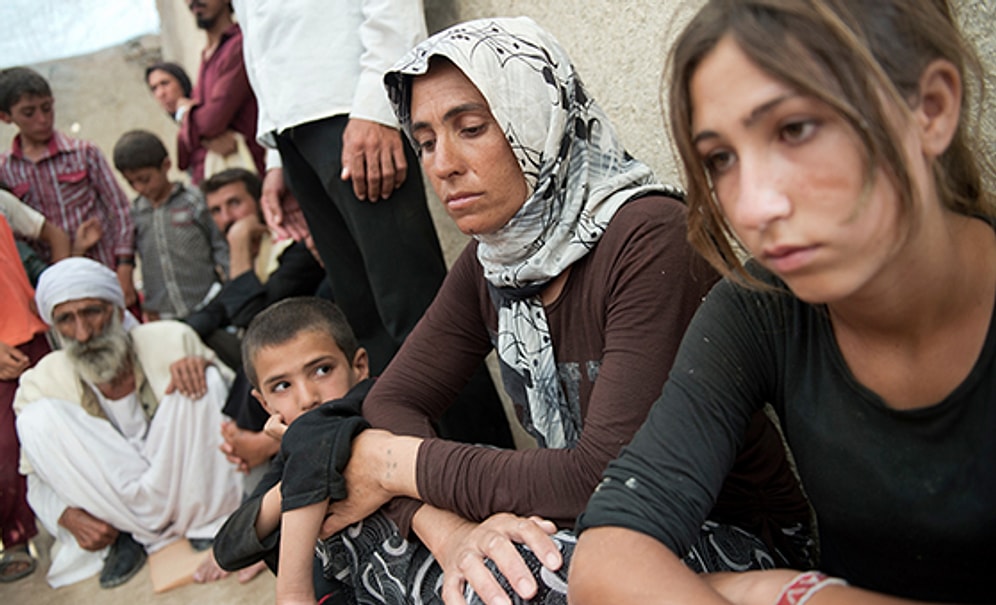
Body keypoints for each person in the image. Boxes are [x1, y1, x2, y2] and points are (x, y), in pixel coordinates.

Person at [312, 17, 811, 605]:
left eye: (470, 128)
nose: (442, 164)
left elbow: (597, 474)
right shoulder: (492, 260)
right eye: (424, 142)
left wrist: (393, 466)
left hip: (715, 535)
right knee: (341, 514)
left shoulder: (650, 238)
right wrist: (448, 529)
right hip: (575, 519)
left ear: (539, 118)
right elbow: (392, 401)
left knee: (507, 581)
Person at [568, 1, 995, 604]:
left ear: (929, 109)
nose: (752, 208)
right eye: (721, 159)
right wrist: (799, 590)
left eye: (794, 129)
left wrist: (777, 594)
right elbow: (609, 556)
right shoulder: (761, 309)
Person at [13, 257, 242, 588]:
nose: (83, 332)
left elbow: (236, 413)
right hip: (111, 507)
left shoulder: (171, 339)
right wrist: (66, 514)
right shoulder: (41, 381)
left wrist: (203, 367)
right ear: (55, 327)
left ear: (119, 312)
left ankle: (209, 518)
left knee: (204, 382)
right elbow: (36, 479)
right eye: (66, 319)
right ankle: (127, 535)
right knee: (35, 420)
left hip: (189, 488)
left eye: (92, 312)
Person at [213, 297, 372, 604]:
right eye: (282, 386)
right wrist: (298, 479)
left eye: (322, 370)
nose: (307, 398)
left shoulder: (383, 410)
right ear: (265, 404)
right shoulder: (289, 458)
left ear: (359, 367)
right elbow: (228, 548)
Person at [0, 67, 138, 309]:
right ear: (5, 117)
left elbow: (121, 211)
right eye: (29, 113)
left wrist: (124, 270)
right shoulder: (5, 169)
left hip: (101, 274)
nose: (42, 119)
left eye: (47, 108)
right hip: (50, 289)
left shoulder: (84, 153)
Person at [112, 129, 229, 322]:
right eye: (131, 183)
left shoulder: (194, 201)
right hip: (163, 315)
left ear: (166, 166)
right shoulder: (134, 214)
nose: (140, 188)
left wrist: (231, 288)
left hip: (207, 305)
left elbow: (220, 247)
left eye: (145, 179)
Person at [178, 0, 265, 182]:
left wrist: (185, 115)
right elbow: (183, 153)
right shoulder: (206, 56)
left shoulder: (239, 44)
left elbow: (212, 120)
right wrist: (198, 130)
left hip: (249, 181)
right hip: (211, 183)